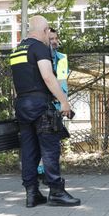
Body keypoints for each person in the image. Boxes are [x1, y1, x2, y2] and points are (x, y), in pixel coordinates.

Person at [10, 15, 80, 207]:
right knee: (49, 148)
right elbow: (48, 77)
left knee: (29, 150)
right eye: (48, 31)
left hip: (22, 105)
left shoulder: (17, 50)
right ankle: (56, 191)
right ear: (44, 30)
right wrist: (64, 102)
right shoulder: (39, 48)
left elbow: (16, 83)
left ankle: (32, 193)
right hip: (40, 105)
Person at [37, 27, 70, 179]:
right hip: (40, 103)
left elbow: (62, 81)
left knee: (52, 140)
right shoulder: (38, 55)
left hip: (54, 104)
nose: (55, 42)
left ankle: (45, 171)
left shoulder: (62, 58)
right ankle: (41, 170)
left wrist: (62, 102)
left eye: (56, 38)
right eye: (51, 39)